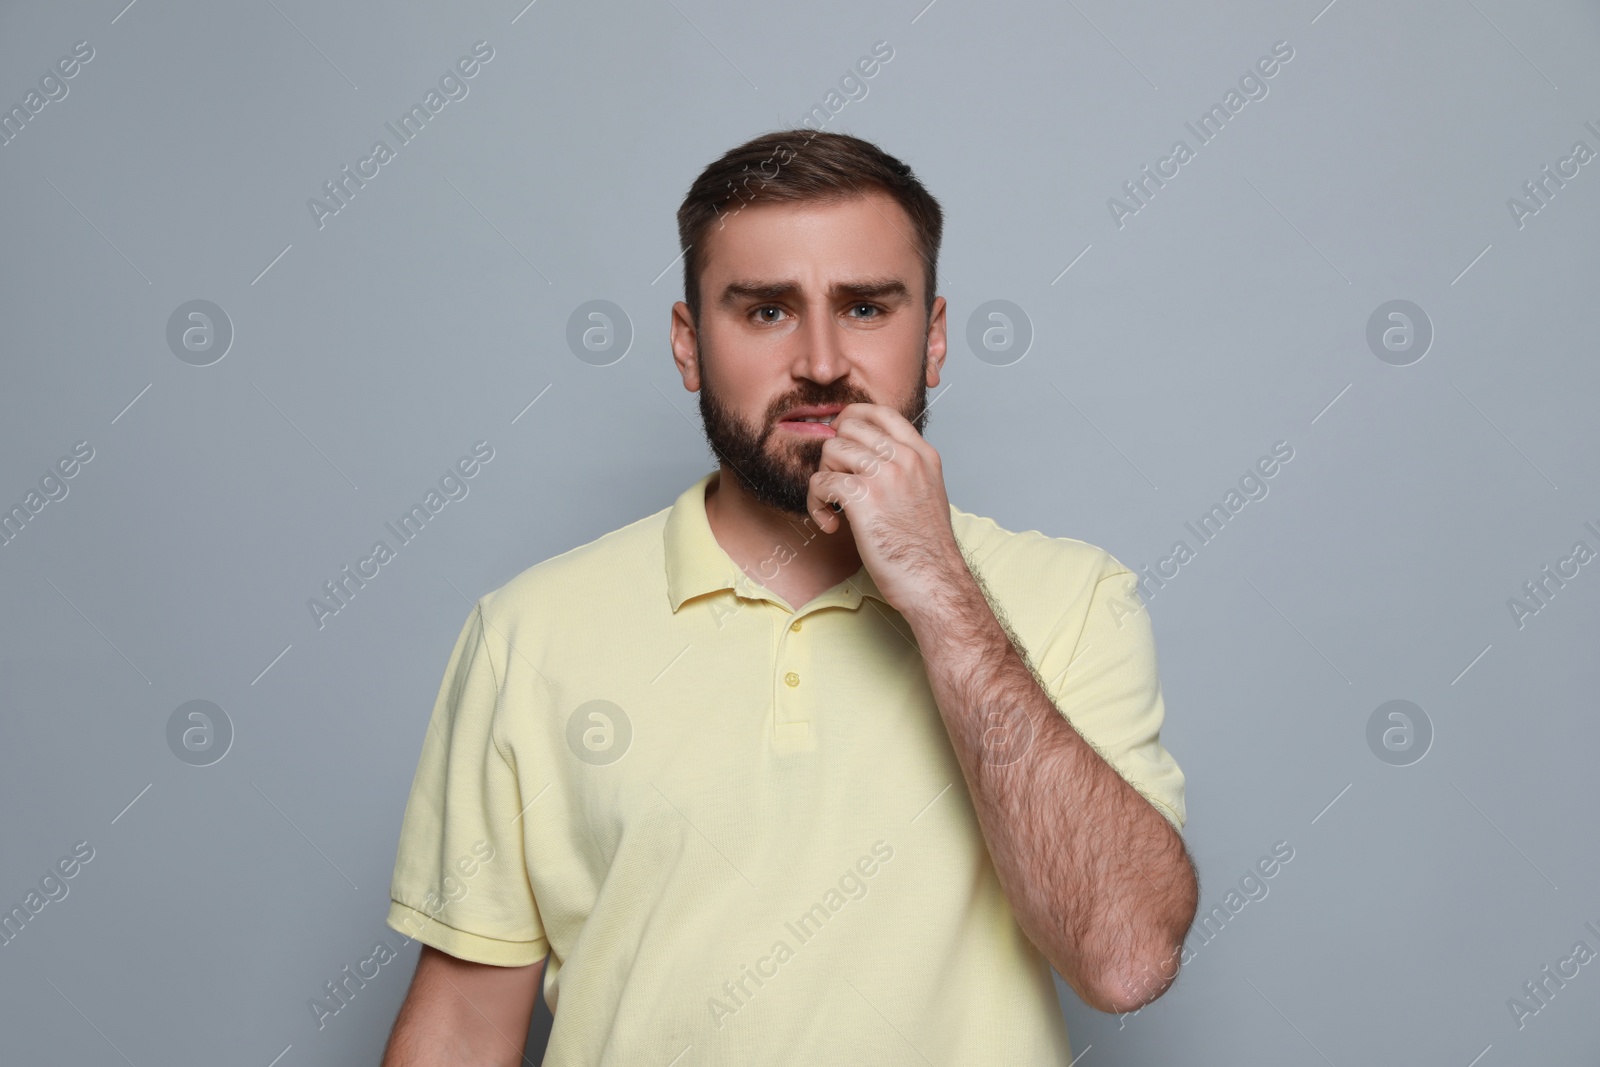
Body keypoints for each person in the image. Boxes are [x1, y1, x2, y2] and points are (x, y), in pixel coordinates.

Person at [380, 129, 1198, 1066]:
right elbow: (460, 1029)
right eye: (766, 311)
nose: (818, 360)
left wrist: (937, 588)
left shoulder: (1078, 599)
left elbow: (1127, 958)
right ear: (689, 345)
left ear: (931, 338)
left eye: (864, 307)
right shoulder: (526, 633)